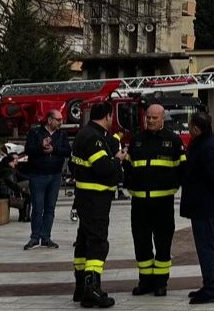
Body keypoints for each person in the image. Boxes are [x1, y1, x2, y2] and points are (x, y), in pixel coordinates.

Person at [124, 104, 185, 297]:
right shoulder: (137, 140)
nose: (150, 121)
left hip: (163, 204)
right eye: (148, 117)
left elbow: (182, 169)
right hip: (140, 203)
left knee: (163, 243)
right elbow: (128, 166)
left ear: (162, 119)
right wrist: (130, 184)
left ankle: (161, 283)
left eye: (154, 118)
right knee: (141, 243)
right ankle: (145, 281)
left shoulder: (173, 141)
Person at [71, 102, 124, 308]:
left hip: (85, 197)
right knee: (98, 243)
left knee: (83, 242)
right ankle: (92, 289)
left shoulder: (85, 134)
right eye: (112, 117)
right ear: (108, 116)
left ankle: (81, 287)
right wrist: (118, 160)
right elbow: (104, 168)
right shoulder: (93, 138)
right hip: (96, 198)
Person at [181, 111, 214, 305]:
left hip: (204, 204)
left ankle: (212, 288)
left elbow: (213, 174)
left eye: (189, 126)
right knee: (205, 246)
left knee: (207, 247)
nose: (188, 129)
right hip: (201, 204)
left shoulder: (207, 146)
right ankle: (208, 284)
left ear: (196, 127)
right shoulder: (205, 143)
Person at [23, 108, 70, 250]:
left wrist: (54, 149)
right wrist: (40, 146)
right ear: (50, 120)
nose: (61, 122)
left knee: (50, 208)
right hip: (38, 175)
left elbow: (67, 151)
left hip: (55, 175)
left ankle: (46, 237)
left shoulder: (61, 135)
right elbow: (28, 150)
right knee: (38, 207)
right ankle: (34, 237)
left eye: (61, 120)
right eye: (58, 120)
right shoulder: (35, 132)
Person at [0, 154, 30, 222]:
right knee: (27, 196)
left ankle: (23, 216)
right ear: (9, 162)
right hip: (6, 194)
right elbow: (11, 184)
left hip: (2, 193)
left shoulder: (3, 169)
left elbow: (19, 178)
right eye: (13, 161)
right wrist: (20, 190)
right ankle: (24, 216)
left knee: (25, 192)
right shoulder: (8, 171)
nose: (15, 162)